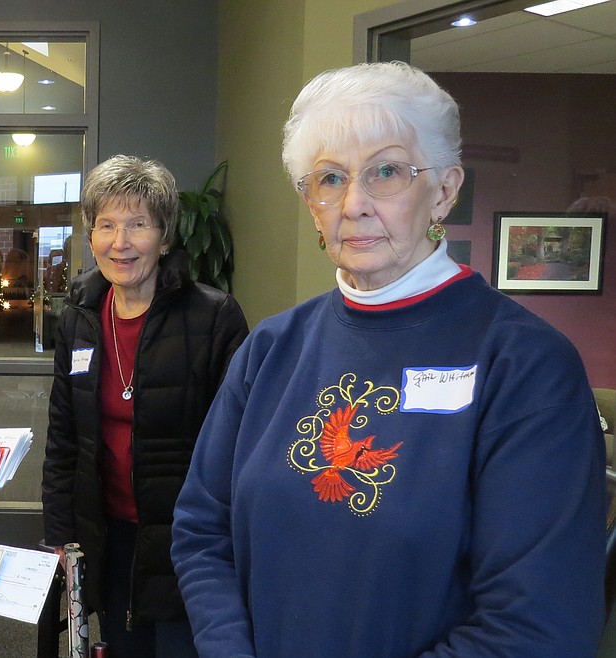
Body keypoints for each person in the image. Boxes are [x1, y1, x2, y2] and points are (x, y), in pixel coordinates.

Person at [170, 61, 608, 657]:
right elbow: (202, 528)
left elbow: (538, 626)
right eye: (328, 178)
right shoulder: (271, 349)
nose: (353, 203)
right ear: (309, 202)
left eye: (386, 171)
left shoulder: (526, 364)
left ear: (446, 190)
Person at [41, 155, 249, 658]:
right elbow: (64, 437)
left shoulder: (214, 317)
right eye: (106, 225)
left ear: (165, 235)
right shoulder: (80, 319)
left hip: (188, 541)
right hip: (107, 536)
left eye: (138, 225)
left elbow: (240, 445)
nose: (121, 242)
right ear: (90, 236)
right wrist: (60, 536)